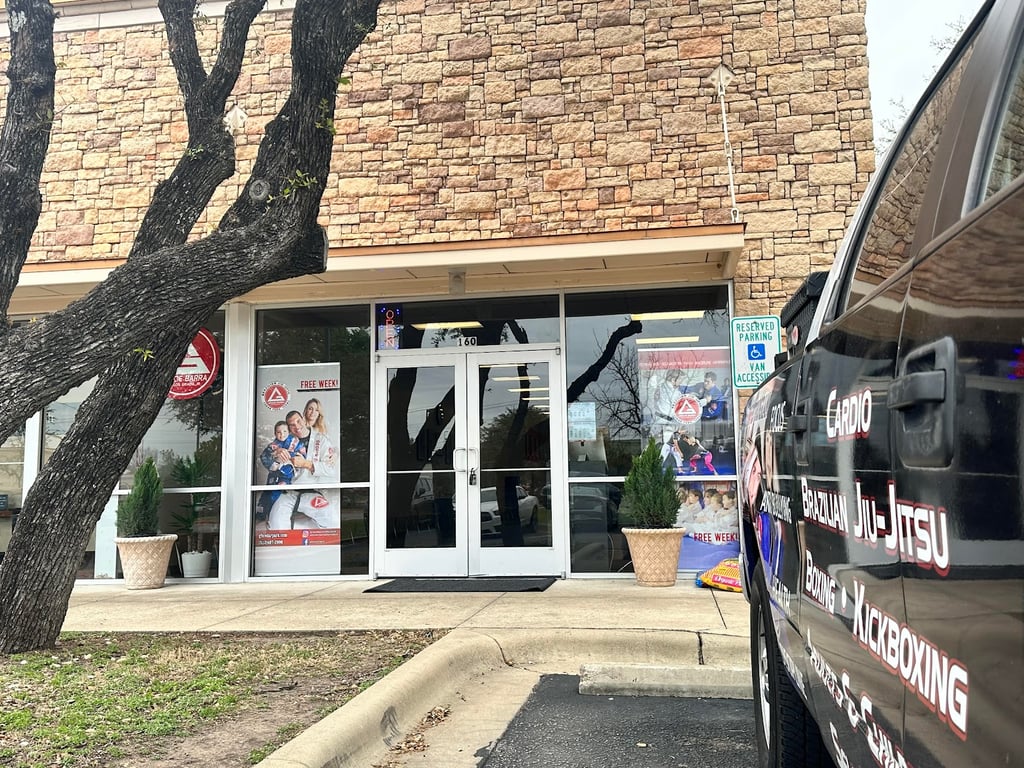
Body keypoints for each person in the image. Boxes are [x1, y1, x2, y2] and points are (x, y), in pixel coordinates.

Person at [267, 410, 340, 530]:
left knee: (333, 521)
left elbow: (330, 469)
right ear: (288, 428)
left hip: (311, 492)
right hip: (287, 493)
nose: (296, 426)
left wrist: (306, 464)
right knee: (276, 525)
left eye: (298, 421)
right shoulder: (283, 441)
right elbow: (267, 458)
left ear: (303, 419)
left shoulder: (320, 440)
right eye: (292, 425)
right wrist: (276, 453)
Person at [258, 420, 307, 511]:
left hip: (289, 475)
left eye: (284, 431)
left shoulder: (296, 442)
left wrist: (293, 456)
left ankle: (273, 511)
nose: (282, 434)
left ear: (289, 432)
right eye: (279, 432)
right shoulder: (273, 445)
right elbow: (263, 456)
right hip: (274, 474)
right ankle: (262, 512)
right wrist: (274, 458)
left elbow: (303, 456)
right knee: (267, 493)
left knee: (279, 494)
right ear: (275, 434)